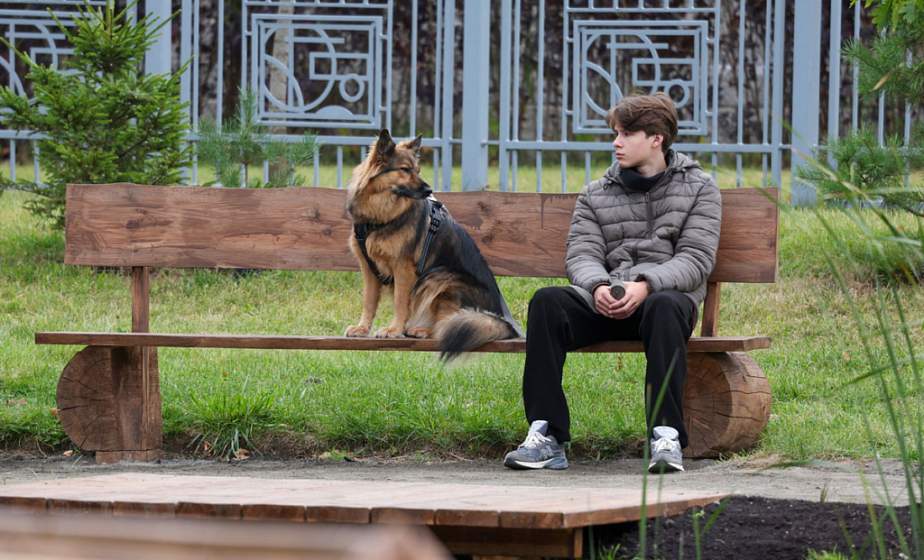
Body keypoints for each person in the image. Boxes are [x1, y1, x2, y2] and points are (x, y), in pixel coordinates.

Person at [503, 93, 722, 473]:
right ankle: (546, 434)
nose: (616, 143)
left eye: (626, 134)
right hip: (606, 300)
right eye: (615, 134)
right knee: (547, 302)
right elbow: (581, 254)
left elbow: (696, 259)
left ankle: (666, 436)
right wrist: (598, 287)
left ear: (656, 139)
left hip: (662, 305)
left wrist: (646, 285)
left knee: (665, 305)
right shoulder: (596, 193)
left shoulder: (699, 188)